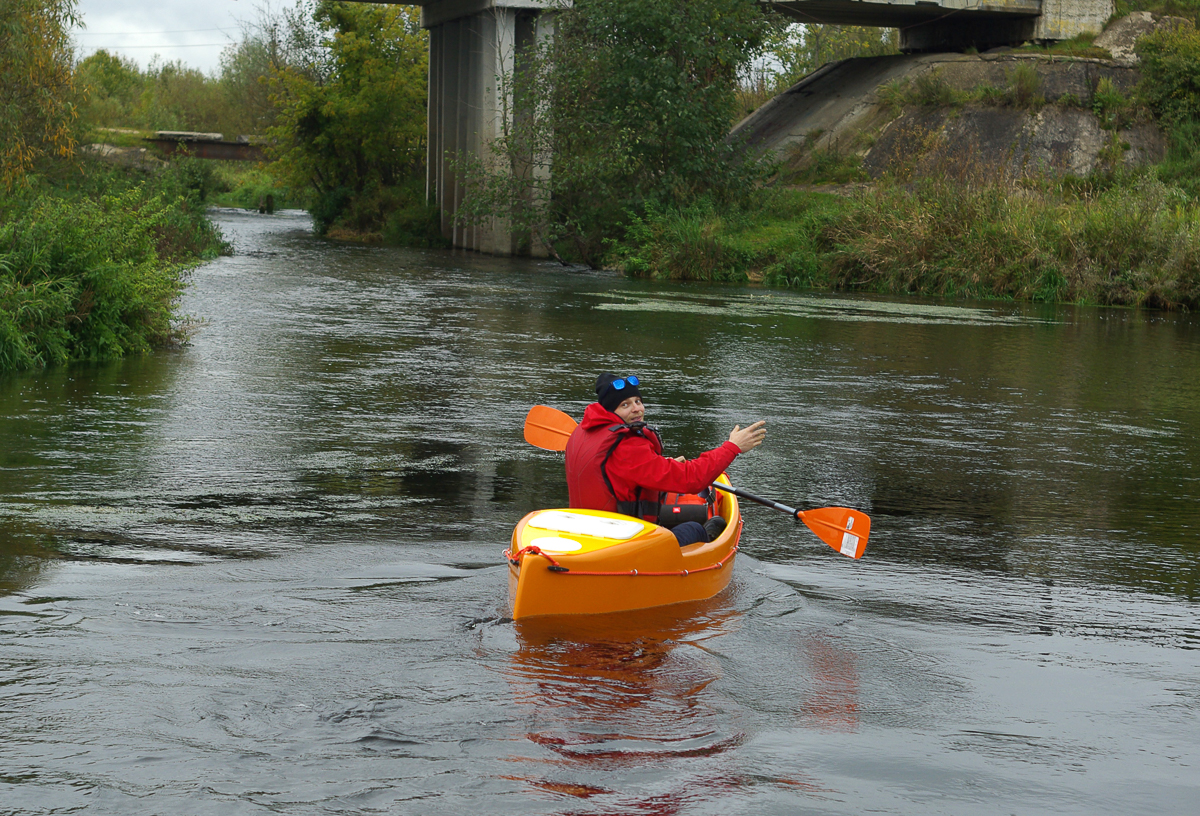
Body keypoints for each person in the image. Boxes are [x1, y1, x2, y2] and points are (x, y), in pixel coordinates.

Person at [565, 373, 767, 546]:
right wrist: (732, 447)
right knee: (695, 529)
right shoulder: (626, 446)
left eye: (637, 401)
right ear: (610, 411)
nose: (636, 409)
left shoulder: (582, 433)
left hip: (587, 534)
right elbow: (692, 479)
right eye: (625, 405)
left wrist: (661, 462)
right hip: (623, 542)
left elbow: (618, 472)